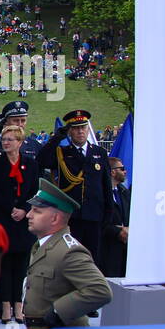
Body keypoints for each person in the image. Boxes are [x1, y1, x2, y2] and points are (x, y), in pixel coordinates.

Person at [22, 178, 113, 329]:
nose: (28, 215)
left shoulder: (69, 251)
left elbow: (100, 290)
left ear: (55, 218)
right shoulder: (42, 245)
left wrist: (58, 311)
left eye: (36, 211)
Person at [36, 109, 114, 261]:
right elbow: (42, 160)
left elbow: (106, 185)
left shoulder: (99, 152)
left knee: (92, 258)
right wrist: (56, 138)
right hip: (71, 216)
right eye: (76, 128)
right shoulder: (62, 153)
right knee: (70, 259)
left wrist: (108, 212)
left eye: (83, 127)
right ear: (70, 131)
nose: (80, 132)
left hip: (94, 214)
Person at [0, 125, 39, 324]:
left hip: (24, 222)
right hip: (3, 220)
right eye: (4, 139)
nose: (6, 143)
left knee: (22, 266)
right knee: (5, 265)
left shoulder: (30, 164)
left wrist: (24, 209)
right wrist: (10, 209)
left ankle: (19, 305)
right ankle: (6, 306)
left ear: (20, 143)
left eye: (10, 140)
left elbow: (34, 190)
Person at [100, 158, 130, 278]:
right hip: (107, 247)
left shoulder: (124, 192)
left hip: (124, 246)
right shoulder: (101, 192)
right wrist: (117, 230)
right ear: (112, 172)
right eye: (121, 169)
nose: (125, 172)